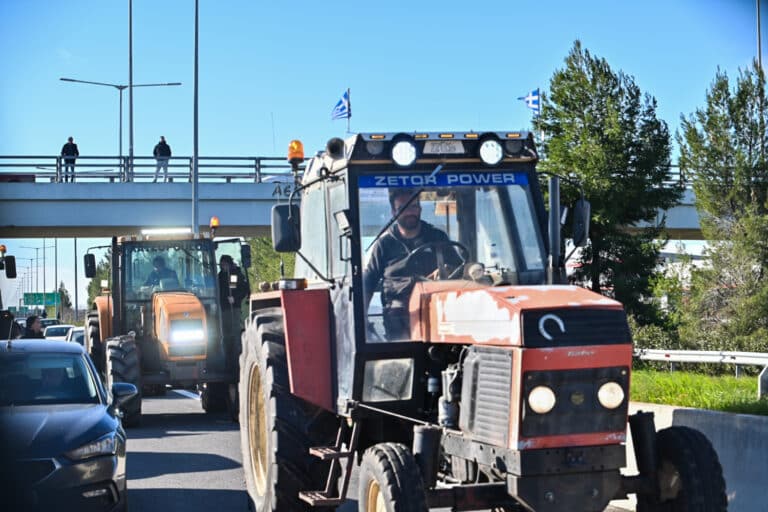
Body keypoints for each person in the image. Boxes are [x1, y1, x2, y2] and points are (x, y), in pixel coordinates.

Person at [363, 188, 463, 340]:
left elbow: (459, 269)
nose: (409, 212)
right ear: (393, 212)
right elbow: (368, 281)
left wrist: (447, 271)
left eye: (413, 207)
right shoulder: (385, 244)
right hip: (399, 311)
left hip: (436, 307)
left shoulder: (437, 236)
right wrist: (361, 317)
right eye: (403, 208)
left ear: (420, 209)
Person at [218, 255, 250, 369]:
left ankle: (236, 359)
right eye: (221, 265)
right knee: (225, 334)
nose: (223, 267)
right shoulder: (220, 276)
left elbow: (242, 289)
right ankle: (226, 359)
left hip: (233, 308)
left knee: (235, 332)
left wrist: (235, 298)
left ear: (229, 264)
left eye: (225, 264)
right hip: (222, 308)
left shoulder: (234, 275)